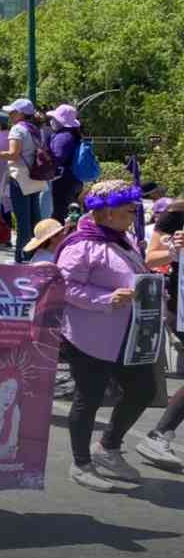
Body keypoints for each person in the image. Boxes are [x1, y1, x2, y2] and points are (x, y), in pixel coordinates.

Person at [56, 180, 154, 492]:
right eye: (127, 204)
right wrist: (105, 298)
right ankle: (81, 463)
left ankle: (108, 448)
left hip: (126, 334)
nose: (133, 209)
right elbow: (64, 286)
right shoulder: (81, 244)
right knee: (90, 397)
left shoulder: (124, 239)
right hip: (88, 336)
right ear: (105, 213)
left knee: (143, 389)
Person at [135, 198, 184, 470]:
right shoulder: (177, 213)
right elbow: (151, 258)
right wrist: (174, 252)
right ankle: (159, 434)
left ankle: (160, 434)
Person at [0, 99, 47, 264]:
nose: (10, 115)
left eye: (12, 112)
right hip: (35, 178)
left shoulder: (17, 129)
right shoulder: (35, 129)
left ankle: (21, 257)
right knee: (35, 218)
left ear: (20, 114)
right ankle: (34, 253)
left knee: (22, 221)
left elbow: (13, 155)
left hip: (19, 177)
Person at [47, 105, 83, 223]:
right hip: (75, 179)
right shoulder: (73, 135)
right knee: (72, 212)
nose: (51, 121)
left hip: (63, 180)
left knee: (59, 214)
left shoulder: (63, 136)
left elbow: (58, 157)